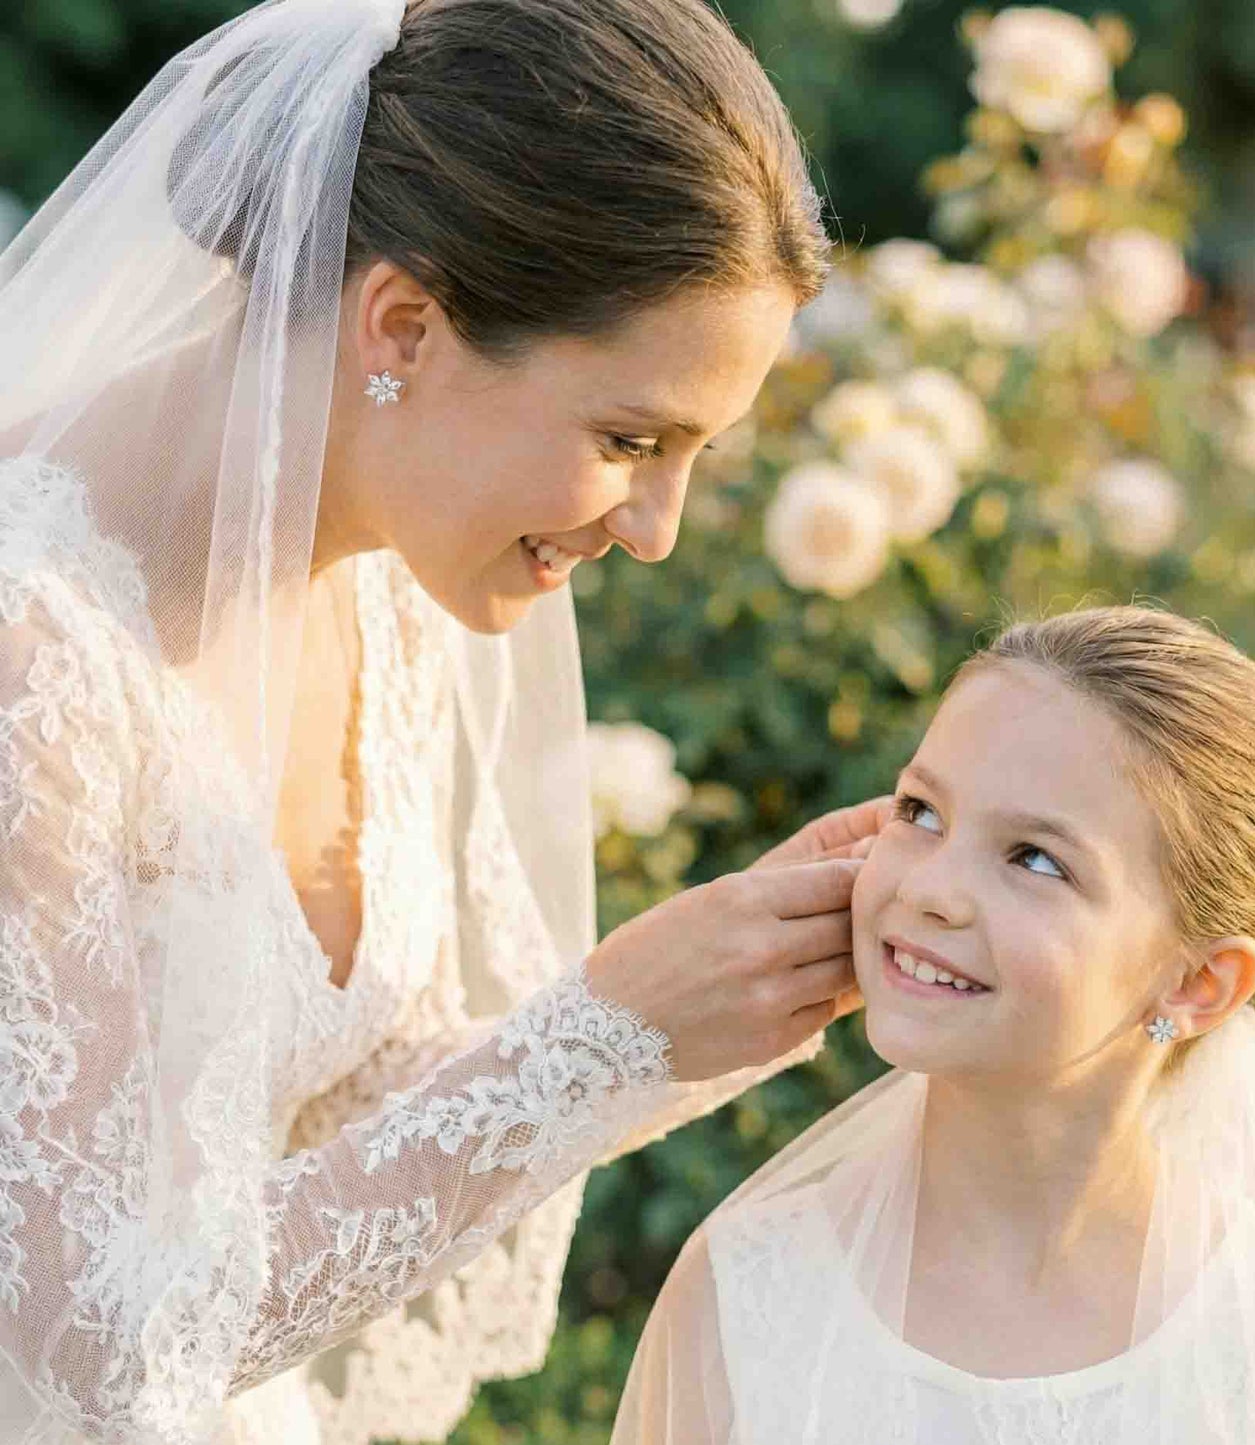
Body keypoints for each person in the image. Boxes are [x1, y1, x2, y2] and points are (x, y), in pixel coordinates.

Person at [0, 0, 890, 1439]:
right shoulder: (30, 653)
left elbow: (359, 1099)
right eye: (628, 440)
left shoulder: (397, 570)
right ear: (402, 323)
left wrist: (717, 986)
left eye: (695, 458)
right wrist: (606, 1041)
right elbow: (96, 1328)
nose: (658, 529)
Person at [613, 606, 1255, 1445]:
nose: (929, 889)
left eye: (1034, 858)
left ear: (1200, 981)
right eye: (921, 811)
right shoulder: (744, 1294)